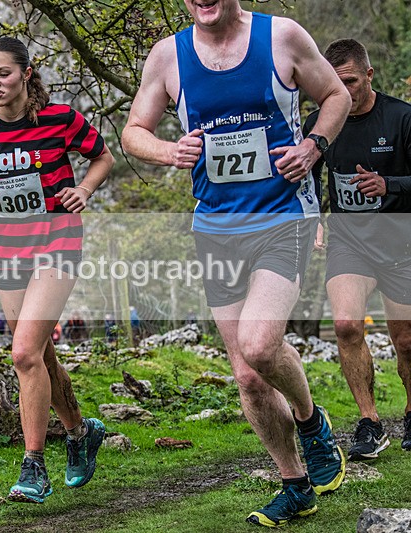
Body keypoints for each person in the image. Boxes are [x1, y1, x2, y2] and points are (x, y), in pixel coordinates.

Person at [121, 1, 351, 527]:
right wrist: (166, 151)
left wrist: (314, 147)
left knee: (259, 342)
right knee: (247, 377)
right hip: (216, 227)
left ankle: (312, 423)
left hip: (283, 215)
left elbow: (335, 95)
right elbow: (135, 129)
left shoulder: (282, 37)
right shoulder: (168, 57)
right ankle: (294, 484)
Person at [0, 36, 114, 503]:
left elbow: (102, 157)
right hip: (8, 251)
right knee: (38, 356)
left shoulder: (61, 119)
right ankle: (80, 433)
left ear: (25, 73)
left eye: (3, 73)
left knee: (23, 353)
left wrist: (84, 190)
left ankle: (34, 465)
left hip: (57, 244)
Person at [305, 38, 411, 461]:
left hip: (401, 244)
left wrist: (390, 185)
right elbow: (306, 176)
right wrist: (312, 216)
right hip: (349, 242)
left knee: (406, 340)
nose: (343, 92)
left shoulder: (403, 118)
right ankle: (369, 422)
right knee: (348, 325)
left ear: (369, 75)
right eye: (334, 83)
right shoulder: (321, 124)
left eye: (350, 81)